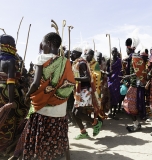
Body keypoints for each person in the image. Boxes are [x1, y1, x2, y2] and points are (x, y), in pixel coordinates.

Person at [10, 32, 75, 160]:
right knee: (60, 135)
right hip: (60, 109)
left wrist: (27, 95)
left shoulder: (41, 58)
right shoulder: (66, 62)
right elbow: (70, 84)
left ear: (49, 44)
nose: (42, 46)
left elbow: (35, 84)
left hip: (43, 109)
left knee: (38, 136)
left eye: (43, 44)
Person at [0, 34, 29, 158]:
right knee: (11, 118)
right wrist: (11, 102)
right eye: (13, 44)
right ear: (10, 45)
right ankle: (8, 147)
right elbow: (10, 82)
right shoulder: (11, 60)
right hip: (7, 93)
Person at [71, 47, 102, 140]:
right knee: (73, 113)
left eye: (73, 53)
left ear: (77, 54)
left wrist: (74, 79)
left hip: (85, 91)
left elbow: (87, 78)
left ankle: (96, 122)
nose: (71, 55)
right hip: (79, 90)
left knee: (77, 113)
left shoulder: (82, 63)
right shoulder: (77, 63)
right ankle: (83, 132)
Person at [106, 47, 122, 120]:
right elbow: (106, 71)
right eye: (112, 52)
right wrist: (109, 73)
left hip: (116, 80)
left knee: (116, 96)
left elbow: (120, 70)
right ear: (111, 52)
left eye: (115, 51)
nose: (114, 53)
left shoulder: (119, 61)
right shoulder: (109, 60)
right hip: (110, 80)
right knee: (110, 96)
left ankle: (114, 113)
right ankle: (110, 111)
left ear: (116, 52)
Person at [96, 52, 110, 117]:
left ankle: (102, 113)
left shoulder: (104, 64)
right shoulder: (95, 64)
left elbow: (106, 73)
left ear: (101, 57)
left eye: (99, 57)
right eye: (97, 56)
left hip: (103, 84)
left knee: (102, 99)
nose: (98, 58)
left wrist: (103, 72)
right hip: (96, 84)